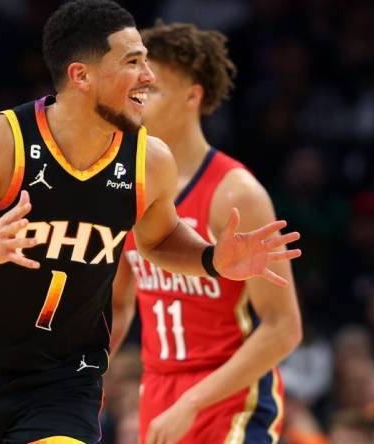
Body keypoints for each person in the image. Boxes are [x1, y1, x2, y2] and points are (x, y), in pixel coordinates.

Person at [0, 1, 301, 443]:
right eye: (133, 62)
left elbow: (160, 238)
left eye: (147, 61)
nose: (147, 76)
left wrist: (210, 259)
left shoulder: (149, 160)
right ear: (81, 76)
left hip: (64, 379)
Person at [109, 22, 302, 444]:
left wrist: (194, 402)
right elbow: (119, 306)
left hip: (229, 394)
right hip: (158, 388)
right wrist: (86, 377)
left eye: (152, 89)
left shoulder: (235, 193)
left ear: (193, 95)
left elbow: (283, 328)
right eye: (135, 86)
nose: (138, 98)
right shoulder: (126, 184)